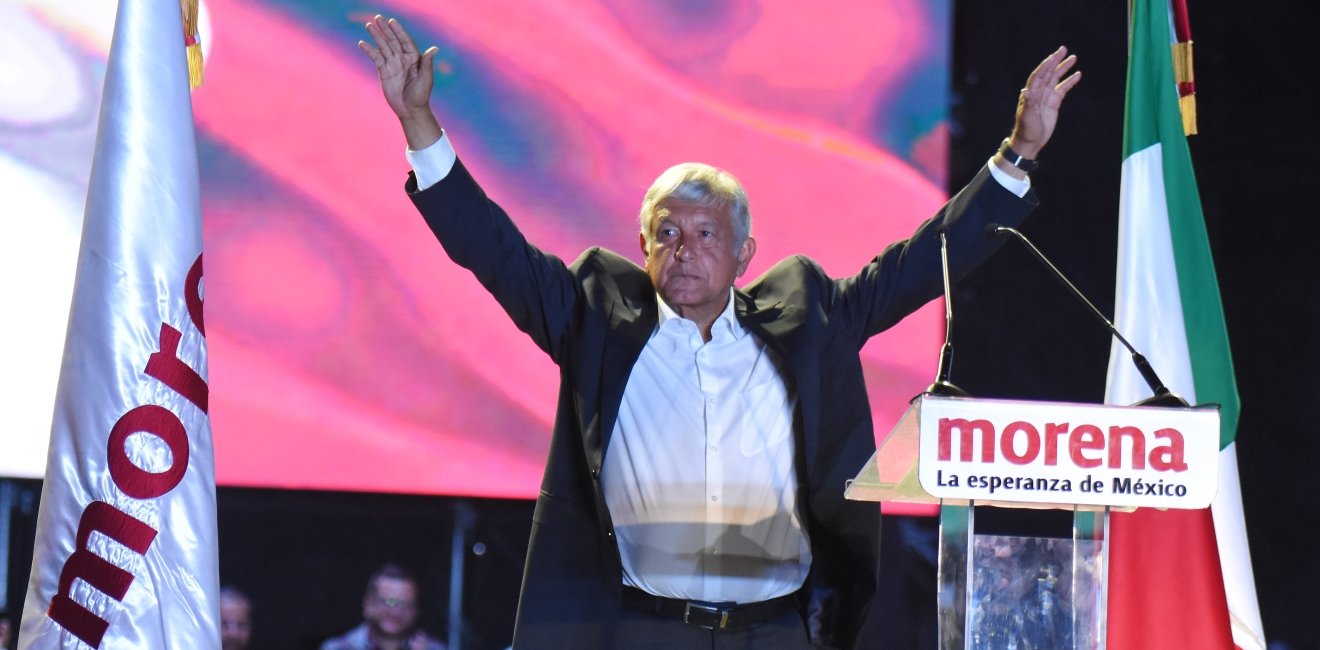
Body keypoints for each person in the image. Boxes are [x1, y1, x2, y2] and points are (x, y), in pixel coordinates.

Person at [359, 15, 1079, 650]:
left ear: (744, 254)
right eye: (665, 232)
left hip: (776, 630)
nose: (683, 247)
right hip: (636, 629)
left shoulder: (809, 316)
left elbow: (922, 263)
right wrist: (418, 124)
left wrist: (1016, 153)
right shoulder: (595, 315)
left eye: (706, 233)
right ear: (642, 250)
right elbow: (492, 248)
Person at [320, 564, 445, 650]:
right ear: (368, 604)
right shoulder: (338, 648)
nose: (396, 612)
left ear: (416, 611)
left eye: (406, 605)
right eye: (390, 602)